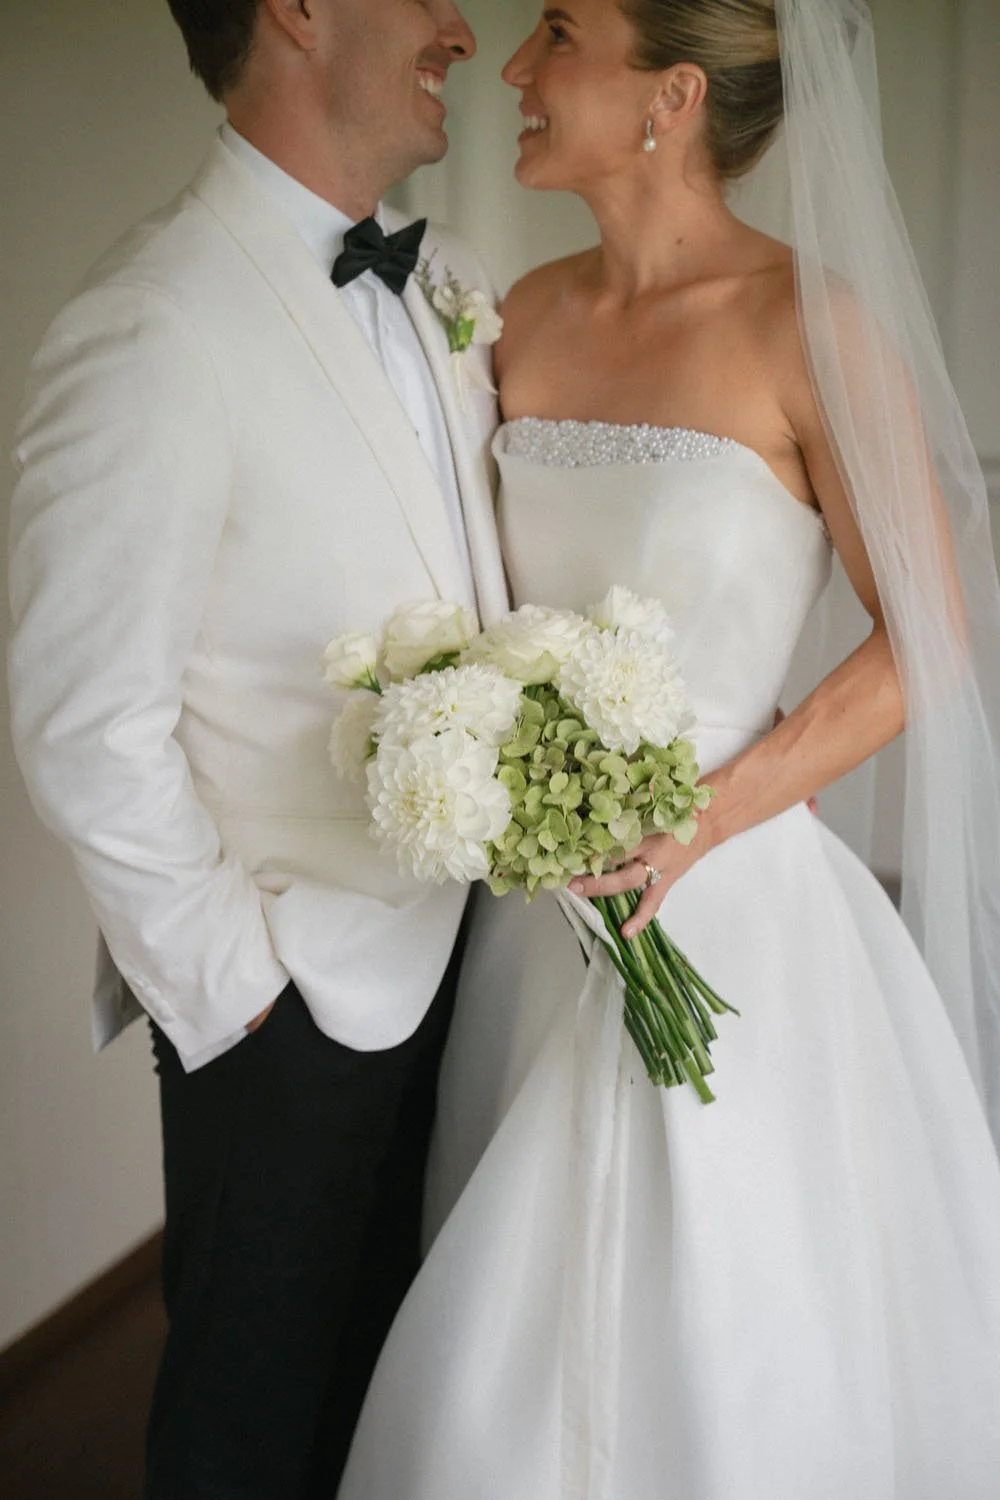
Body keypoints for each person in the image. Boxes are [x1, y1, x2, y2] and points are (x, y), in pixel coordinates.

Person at [336, 1, 1000, 1496]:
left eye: (557, 31)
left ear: (671, 96)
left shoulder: (809, 326)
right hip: (529, 929)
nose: (512, 66)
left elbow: (929, 644)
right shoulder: (520, 315)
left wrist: (697, 822)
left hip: (731, 897)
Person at [7, 1, 508, 1496]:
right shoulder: (149, 322)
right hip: (285, 1019)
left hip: (471, 967)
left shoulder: (444, 286)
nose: (459, 28)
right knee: (252, 1438)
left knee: (402, 1412)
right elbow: (84, 721)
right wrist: (242, 998)